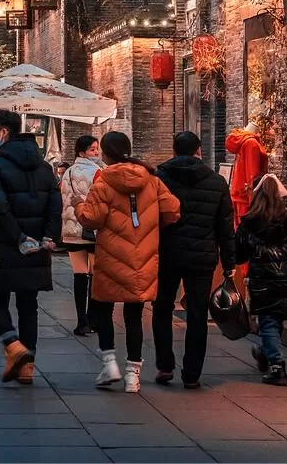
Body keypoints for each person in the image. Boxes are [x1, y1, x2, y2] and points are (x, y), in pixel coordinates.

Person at [73, 132, 179, 393]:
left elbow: (92, 218)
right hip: (143, 257)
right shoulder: (152, 181)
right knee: (134, 316)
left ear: (106, 154)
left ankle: (109, 364)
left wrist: (78, 206)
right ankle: (133, 375)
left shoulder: (103, 182)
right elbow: (173, 210)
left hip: (111, 256)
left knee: (104, 310)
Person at [0, 109, 61, 385]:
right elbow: (55, 205)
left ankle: (13, 346)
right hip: (37, 245)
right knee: (28, 304)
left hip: (5, 243)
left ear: (4, 132)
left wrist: (18, 237)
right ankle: (28, 368)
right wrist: (49, 236)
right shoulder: (44, 167)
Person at [152, 131, 236, 389]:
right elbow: (225, 226)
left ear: (174, 150)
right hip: (202, 255)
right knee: (198, 313)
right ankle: (192, 374)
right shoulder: (216, 181)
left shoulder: (159, 178)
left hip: (167, 253)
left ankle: (165, 365)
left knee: (162, 308)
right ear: (199, 150)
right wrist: (229, 262)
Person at [235, 173, 287, 386]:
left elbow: (239, 253)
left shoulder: (250, 222)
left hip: (263, 280)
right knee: (275, 319)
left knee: (268, 319)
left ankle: (277, 366)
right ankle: (265, 352)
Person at [59, 135, 103, 336]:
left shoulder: (67, 173)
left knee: (79, 274)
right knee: (94, 274)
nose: (97, 153)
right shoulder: (98, 172)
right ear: (82, 152)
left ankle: (81, 320)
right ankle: (93, 318)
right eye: (93, 149)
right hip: (92, 228)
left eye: (97, 149)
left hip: (71, 229)